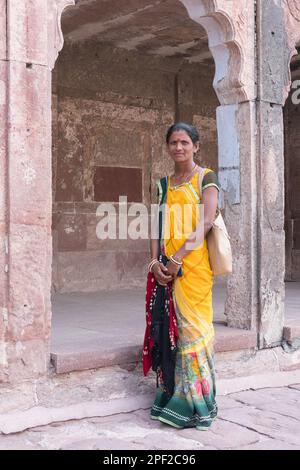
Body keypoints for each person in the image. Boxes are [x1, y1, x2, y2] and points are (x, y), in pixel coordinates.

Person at [143, 122, 220, 431]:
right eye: (173, 142)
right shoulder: (162, 184)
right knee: (168, 333)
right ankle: (170, 399)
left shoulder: (206, 178)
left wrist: (177, 259)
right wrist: (154, 263)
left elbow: (207, 221)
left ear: (196, 146)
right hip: (167, 269)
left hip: (195, 269)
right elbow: (154, 226)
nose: (179, 147)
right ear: (168, 147)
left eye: (185, 142)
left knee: (195, 333)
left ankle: (197, 405)